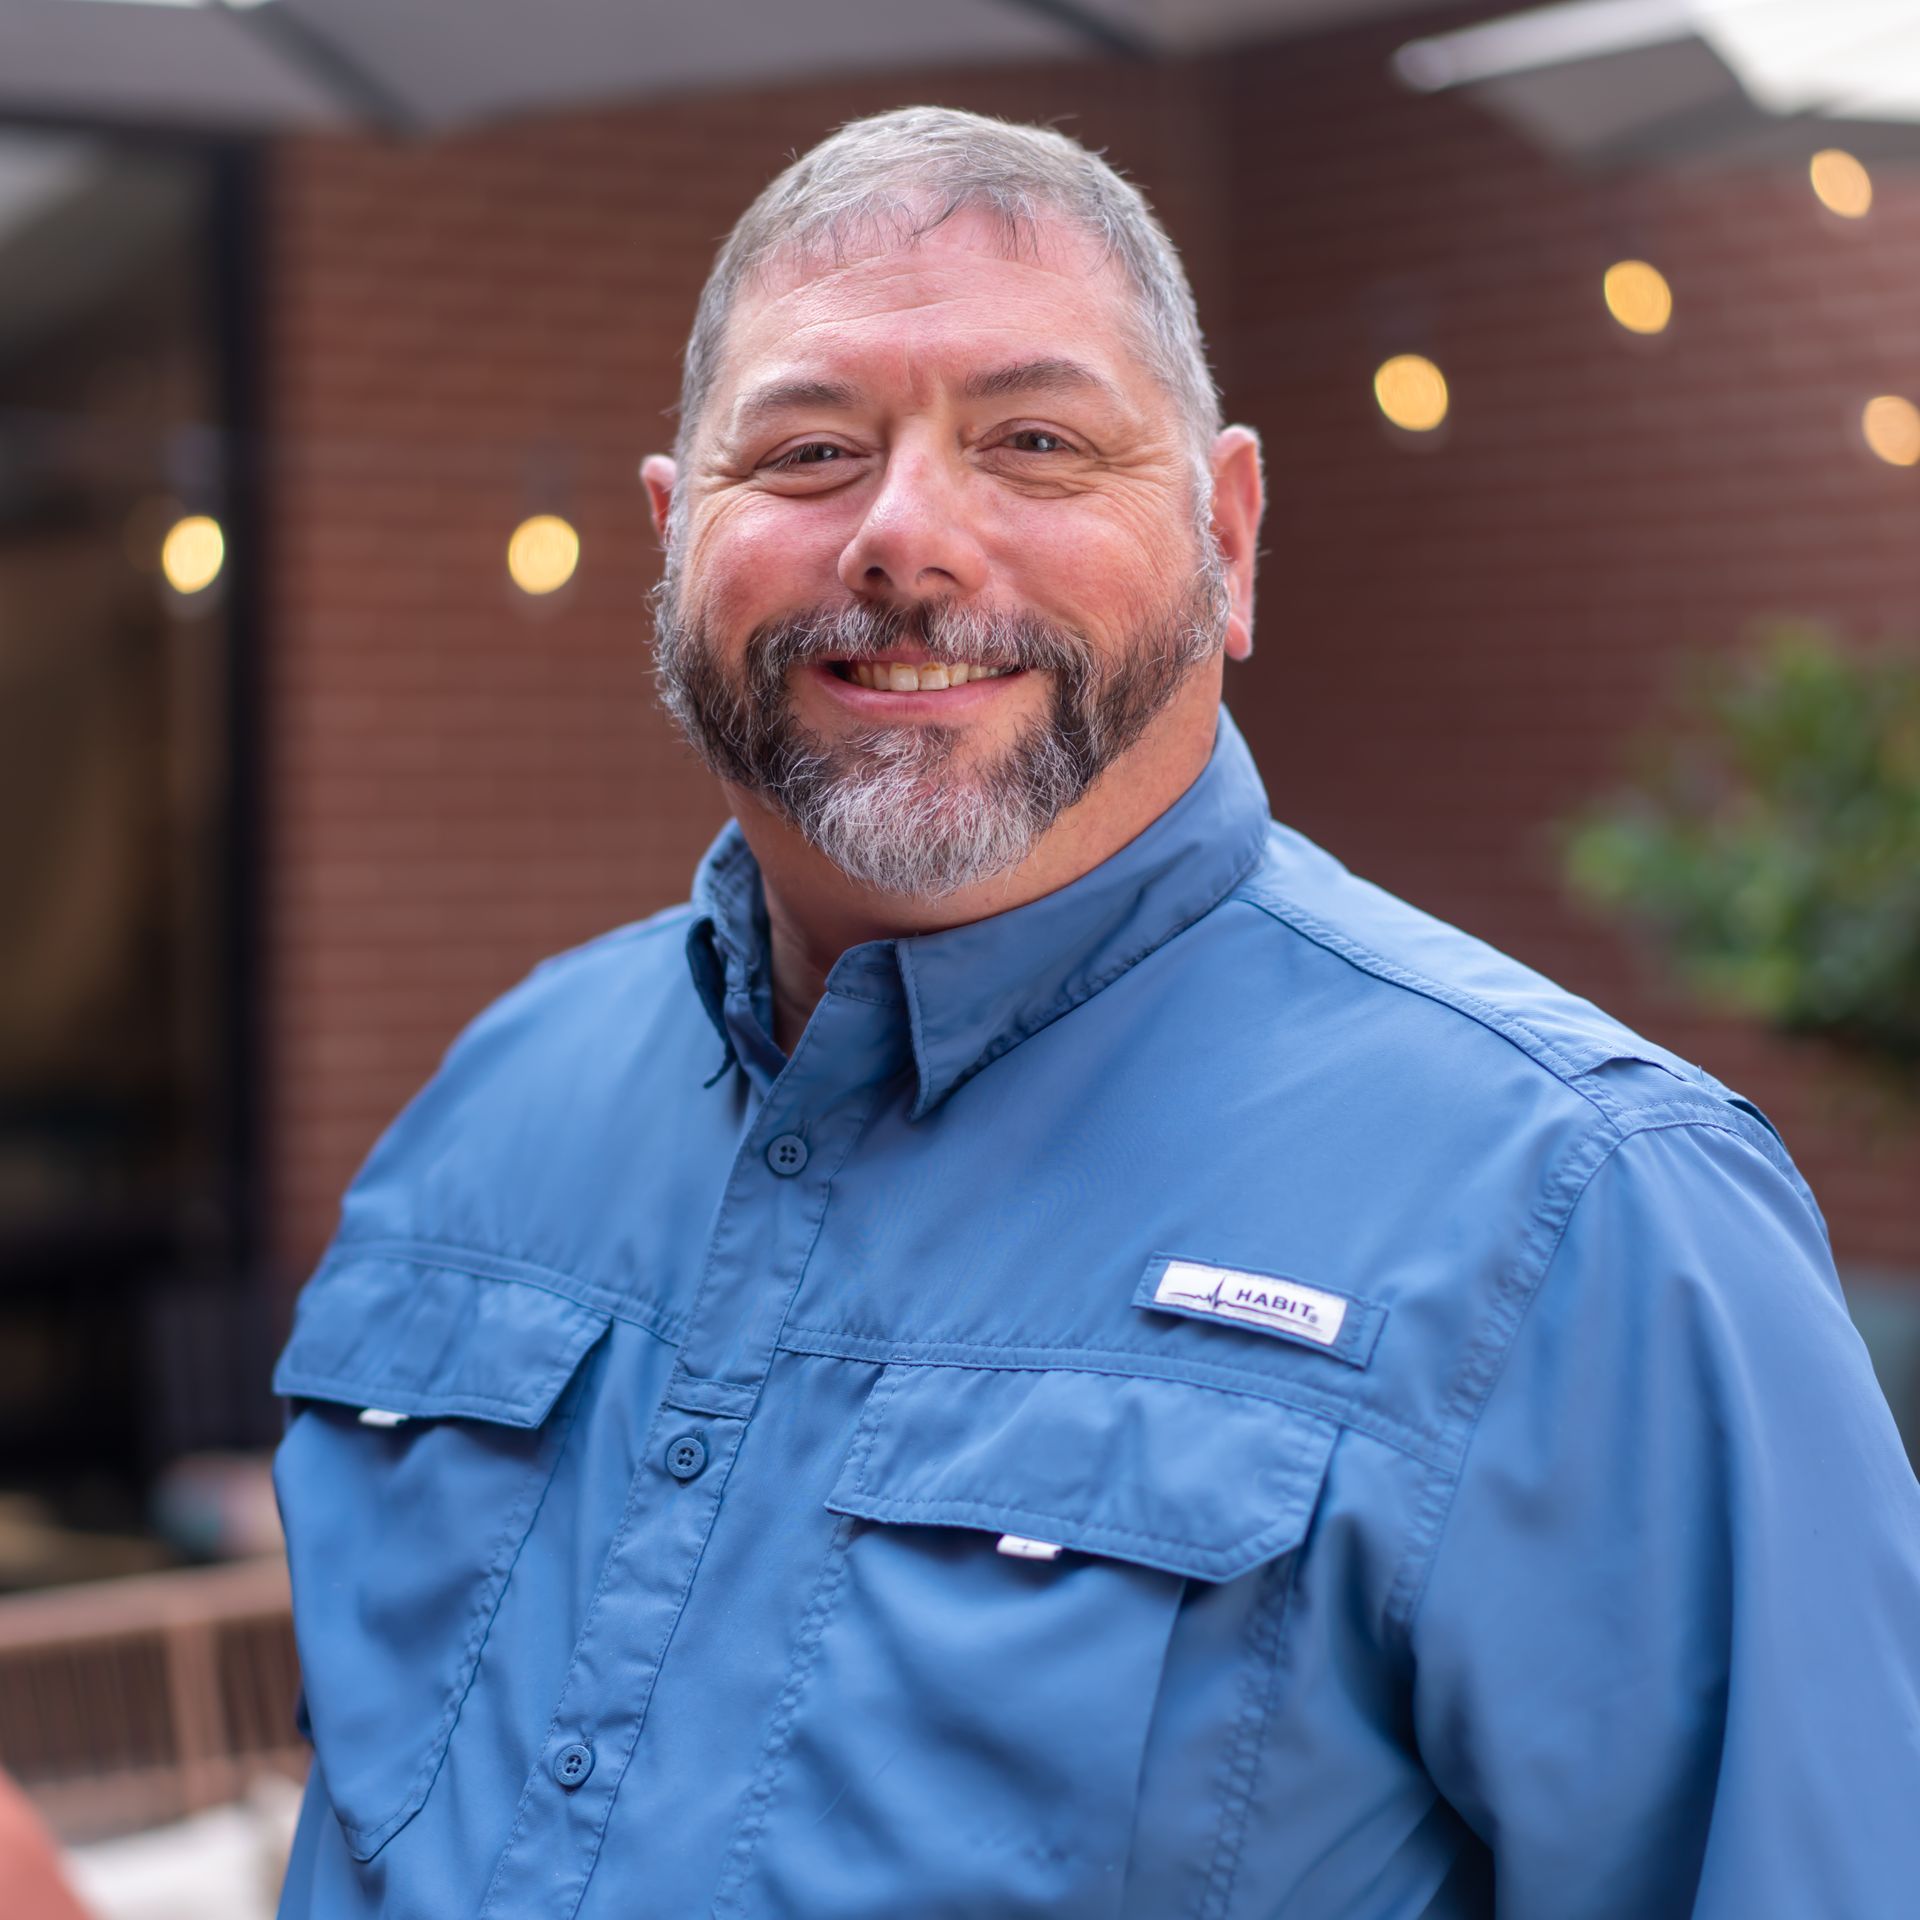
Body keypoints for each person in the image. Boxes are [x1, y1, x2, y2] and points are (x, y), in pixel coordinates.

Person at [271, 107, 1920, 1918]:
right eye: (809, 451)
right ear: (677, 541)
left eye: (1036, 441)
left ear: (1227, 532)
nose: (904, 541)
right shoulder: (496, 1104)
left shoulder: (1585, 1212)